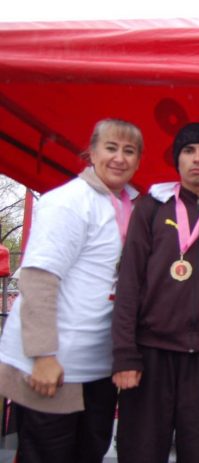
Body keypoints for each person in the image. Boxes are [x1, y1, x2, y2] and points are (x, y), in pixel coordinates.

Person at [0, 119, 143, 463]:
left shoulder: (134, 206)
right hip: (55, 365)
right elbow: (38, 280)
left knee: (89, 452)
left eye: (129, 151)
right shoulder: (68, 201)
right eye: (110, 148)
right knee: (47, 454)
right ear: (91, 152)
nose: (119, 158)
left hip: (99, 366)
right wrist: (43, 356)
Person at [111, 122, 199, 463]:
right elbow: (128, 283)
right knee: (141, 454)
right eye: (189, 151)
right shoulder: (151, 207)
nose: (197, 159)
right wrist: (125, 354)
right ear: (178, 160)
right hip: (150, 355)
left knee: (198, 455)